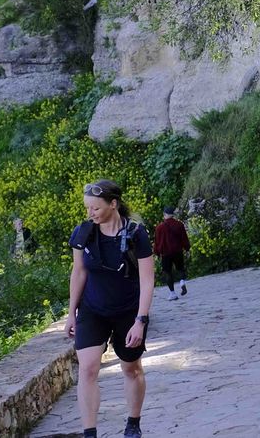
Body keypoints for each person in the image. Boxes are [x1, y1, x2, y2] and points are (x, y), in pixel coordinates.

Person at [68, 180, 155, 438]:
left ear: (113, 204)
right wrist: (71, 313)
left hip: (128, 311)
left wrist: (140, 320)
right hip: (93, 310)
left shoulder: (136, 234)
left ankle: (133, 424)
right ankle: (90, 433)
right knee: (87, 368)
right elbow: (78, 273)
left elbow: (147, 279)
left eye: (95, 208)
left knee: (131, 368)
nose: (90, 213)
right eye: (87, 208)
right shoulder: (83, 233)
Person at [152, 206, 191, 300]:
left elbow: (157, 242)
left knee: (167, 272)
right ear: (172, 215)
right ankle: (182, 282)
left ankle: (172, 294)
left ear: (165, 215)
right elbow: (184, 238)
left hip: (166, 254)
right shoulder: (179, 224)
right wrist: (187, 247)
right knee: (180, 268)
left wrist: (156, 253)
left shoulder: (159, 227)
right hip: (178, 251)